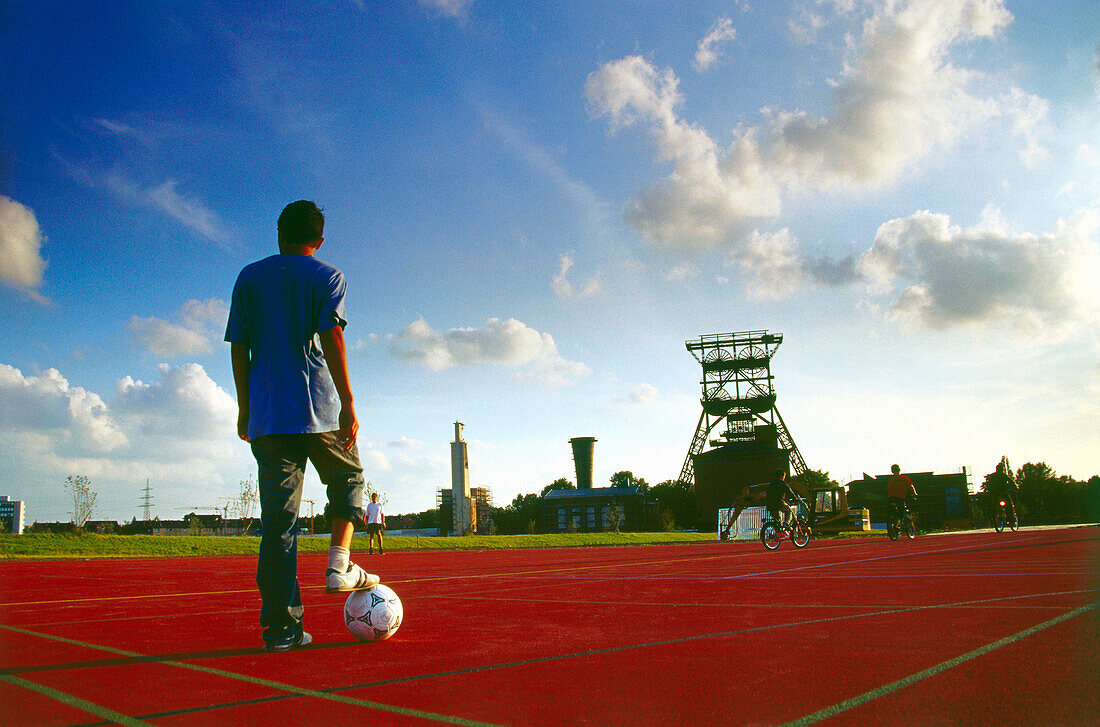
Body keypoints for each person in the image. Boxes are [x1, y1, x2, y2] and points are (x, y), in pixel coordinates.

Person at [226, 200, 379, 652]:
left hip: (269, 418)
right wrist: (349, 402)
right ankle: (338, 563)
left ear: (278, 232)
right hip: (318, 409)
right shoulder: (327, 276)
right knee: (349, 477)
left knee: (278, 525)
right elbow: (332, 334)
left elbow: (239, 345)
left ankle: (281, 631)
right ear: (320, 240)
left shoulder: (249, 277)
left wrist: (244, 407)